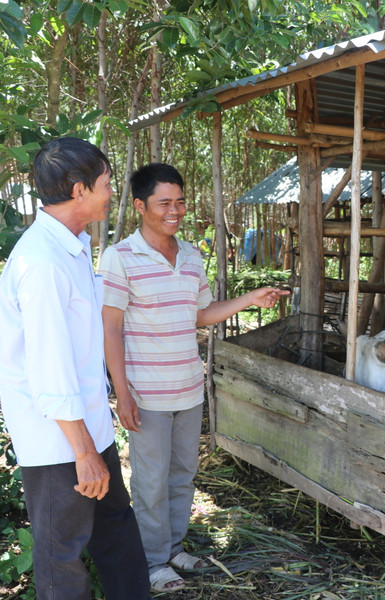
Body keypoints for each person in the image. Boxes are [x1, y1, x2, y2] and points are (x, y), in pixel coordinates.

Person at [98, 162, 288, 593]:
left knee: (183, 472)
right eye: (165, 202)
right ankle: (151, 562)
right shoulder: (120, 257)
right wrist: (121, 393)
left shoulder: (189, 254)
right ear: (142, 206)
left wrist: (248, 298)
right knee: (150, 478)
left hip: (188, 385)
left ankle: (174, 547)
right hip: (146, 392)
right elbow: (110, 327)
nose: (175, 210)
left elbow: (199, 315)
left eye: (180, 201)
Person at [0, 137, 150, 600]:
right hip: (60, 442)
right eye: (105, 184)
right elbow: (50, 369)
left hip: (89, 428)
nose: (110, 192)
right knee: (63, 556)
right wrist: (83, 453)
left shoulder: (73, 247)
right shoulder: (41, 262)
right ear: (79, 190)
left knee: (117, 531)